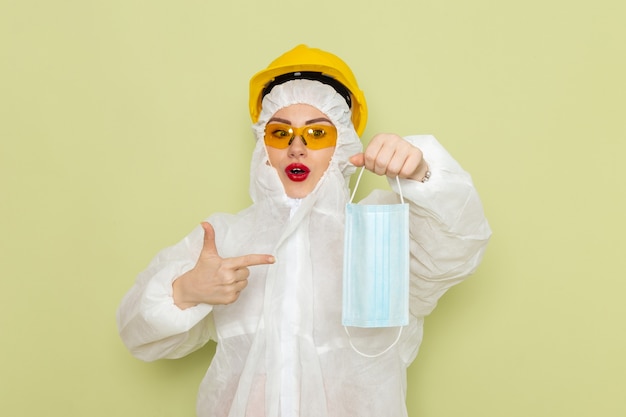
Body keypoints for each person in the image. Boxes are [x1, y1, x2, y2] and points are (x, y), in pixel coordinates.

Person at [117, 44, 492, 417]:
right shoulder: (225, 240)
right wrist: (186, 290)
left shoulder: (383, 231)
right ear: (263, 145)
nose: (296, 148)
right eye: (281, 134)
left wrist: (421, 173)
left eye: (316, 134)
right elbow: (137, 333)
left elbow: (458, 247)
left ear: (343, 143)